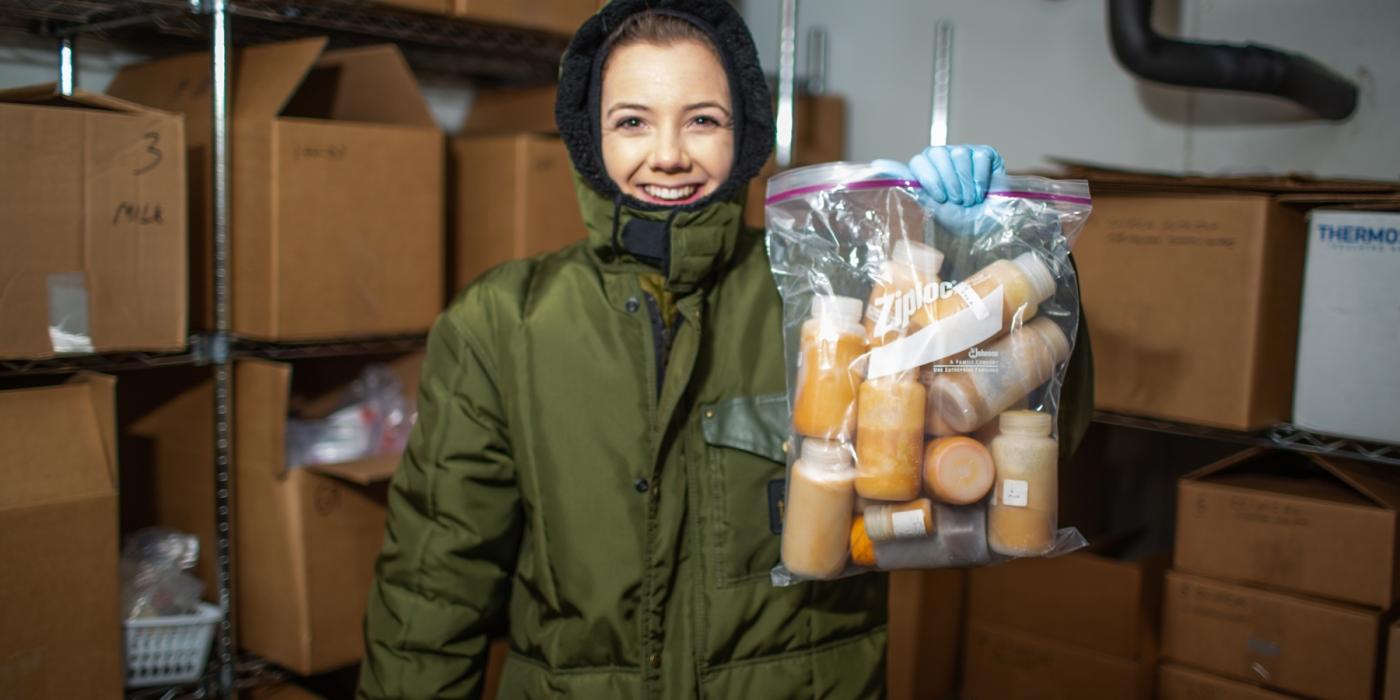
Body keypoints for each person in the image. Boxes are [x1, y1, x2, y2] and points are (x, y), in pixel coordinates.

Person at [358, 1, 1091, 698]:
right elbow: (434, 589)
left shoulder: (832, 295)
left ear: (744, 135)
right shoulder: (503, 323)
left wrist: (988, 247)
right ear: (591, 138)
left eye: (702, 119)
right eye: (632, 122)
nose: (669, 155)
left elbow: (1026, 435)